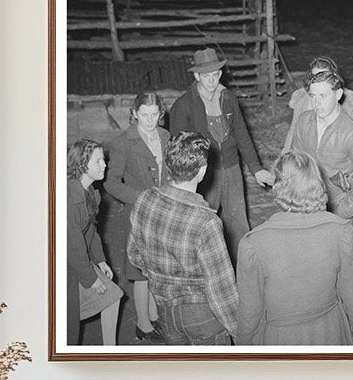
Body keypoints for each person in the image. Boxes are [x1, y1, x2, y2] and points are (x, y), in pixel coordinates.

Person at [236, 151, 353, 345]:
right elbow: (352, 292)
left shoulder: (253, 243)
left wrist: (243, 346)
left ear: (278, 185)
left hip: (281, 340)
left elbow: (250, 312)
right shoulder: (340, 230)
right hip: (331, 332)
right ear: (316, 182)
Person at [127, 132, 238, 346]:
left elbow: (135, 255)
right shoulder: (206, 221)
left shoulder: (145, 200)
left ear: (168, 165)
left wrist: (163, 278)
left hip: (165, 312)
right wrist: (241, 333)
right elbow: (222, 290)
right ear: (202, 171)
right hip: (202, 316)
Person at [168, 47, 272, 261]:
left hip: (232, 169)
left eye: (216, 75)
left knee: (239, 224)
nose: (212, 80)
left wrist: (257, 169)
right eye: (206, 76)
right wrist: (186, 180)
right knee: (202, 226)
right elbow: (178, 148)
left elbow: (242, 134)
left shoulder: (228, 98)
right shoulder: (184, 105)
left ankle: (245, 270)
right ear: (197, 76)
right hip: (203, 175)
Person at [104, 90, 169, 341]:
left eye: (155, 115)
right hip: (140, 212)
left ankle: (154, 317)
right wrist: (139, 197)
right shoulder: (123, 142)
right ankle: (142, 325)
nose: (150, 120)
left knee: (156, 267)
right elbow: (111, 182)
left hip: (162, 211)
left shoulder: (165, 136)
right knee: (141, 271)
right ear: (134, 114)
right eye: (144, 115)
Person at [289, 66, 353, 219]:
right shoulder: (304, 121)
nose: (317, 103)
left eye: (323, 96)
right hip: (305, 205)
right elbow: (295, 161)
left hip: (337, 210)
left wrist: (341, 213)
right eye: (313, 96)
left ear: (338, 94)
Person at [66, 139, 123, 346]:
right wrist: (90, 278)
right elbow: (72, 246)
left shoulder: (89, 192)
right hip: (63, 266)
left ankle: (110, 351)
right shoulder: (71, 200)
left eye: (103, 160)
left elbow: (91, 231)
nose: (104, 165)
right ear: (82, 164)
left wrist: (100, 260)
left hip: (76, 259)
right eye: (98, 161)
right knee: (68, 331)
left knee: (113, 296)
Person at [282, 55, 353, 151]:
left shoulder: (346, 105)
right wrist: (284, 158)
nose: (319, 82)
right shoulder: (302, 102)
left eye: (324, 77)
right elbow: (293, 133)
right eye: (315, 77)